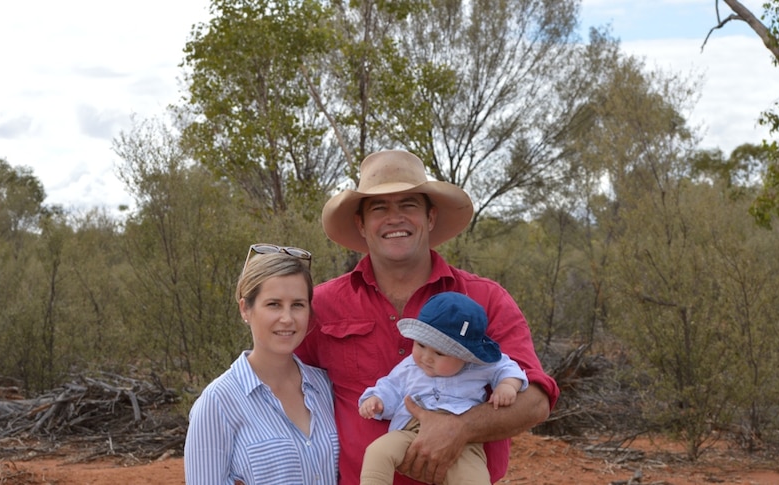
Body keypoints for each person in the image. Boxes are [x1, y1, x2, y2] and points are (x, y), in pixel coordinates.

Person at [295, 149, 560, 485]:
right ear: (361, 224)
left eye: (408, 205)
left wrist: (461, 427)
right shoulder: (321, 304)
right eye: (379, 208)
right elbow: (280, 387)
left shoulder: (486, 298)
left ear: (430, 217)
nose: (395, 218)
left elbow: (536, 401)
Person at [184, 244, 339, 485]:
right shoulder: (217, 403)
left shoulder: (326, 387)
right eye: (273, 304)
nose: (287, 319)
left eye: (297, 304)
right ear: (245, 308)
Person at [358, 291, 529, 485]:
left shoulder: (478, 366)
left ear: (466, 355)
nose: (426, 357)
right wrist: (377, 401)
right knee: (378, 451)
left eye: (439, 353)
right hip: (410, 432)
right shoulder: (409, 367)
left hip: (463, 444)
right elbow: (391, 386)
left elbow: (507, 367)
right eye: (421, 345)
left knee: (473, 478)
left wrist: (507, 385)